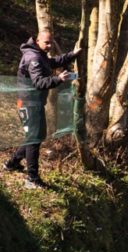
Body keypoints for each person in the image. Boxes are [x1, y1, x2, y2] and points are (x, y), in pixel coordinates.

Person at [3, 30, 80, 189]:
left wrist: (73, 54)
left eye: (52, 42)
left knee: (36, 136)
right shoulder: (34, 58)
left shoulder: (40, 54)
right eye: (47, 42)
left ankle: (12, 163)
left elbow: (52, 62)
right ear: (37, 41)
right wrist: (58, 79)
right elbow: (39, 82)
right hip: (28, 104)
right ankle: (32, 178)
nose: (50, 45)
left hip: (34, 103)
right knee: (34, 139)